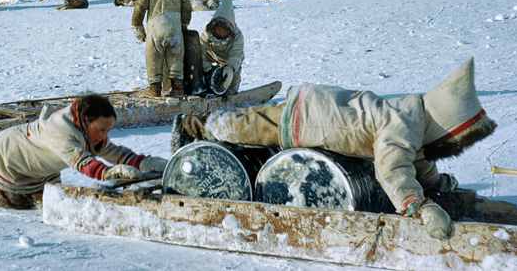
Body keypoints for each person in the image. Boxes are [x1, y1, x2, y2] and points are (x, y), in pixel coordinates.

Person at [170, 58, 496, 239]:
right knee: (247, 127)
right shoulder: (404, 126)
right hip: (306, 120)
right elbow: (392, 166)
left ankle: (203, 127)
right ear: (445, 129)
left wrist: (436, 185)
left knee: (252, 126)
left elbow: (417, 162)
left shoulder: (414, 118)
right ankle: (192, 126)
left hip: (319, 108)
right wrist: (418, 206)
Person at [0, 94, 168, 209]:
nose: (105, 135)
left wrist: (147, 163)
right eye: (102, 129)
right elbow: (81, 161)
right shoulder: (60, 130)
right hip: (9, 156)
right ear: (87, 120)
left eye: (108, 130)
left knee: (47, 200)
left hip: (41, 167)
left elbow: (113, 152)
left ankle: (30, 190)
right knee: (17, 201)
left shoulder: (90, 132)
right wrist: (107, 172)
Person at [132, 0, 192, 97]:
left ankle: (155, 89)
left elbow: (139, 9)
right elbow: (187, 9)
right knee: (176, 59)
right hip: (174, 30)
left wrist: (138, 25)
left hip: (155, 30)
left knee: (153, 58)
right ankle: (177, 88)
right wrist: (184, 23)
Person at [199, 0, 244, 94]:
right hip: (211, 55)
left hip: (227, 58)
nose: (221, 32)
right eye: (218, 29)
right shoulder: (208, 32)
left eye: (224, 30)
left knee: (231, 79)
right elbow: (200, 49)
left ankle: (231, 93)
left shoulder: (237, 36)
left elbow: (236, 54)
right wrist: (204, 64)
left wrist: (230, 68)